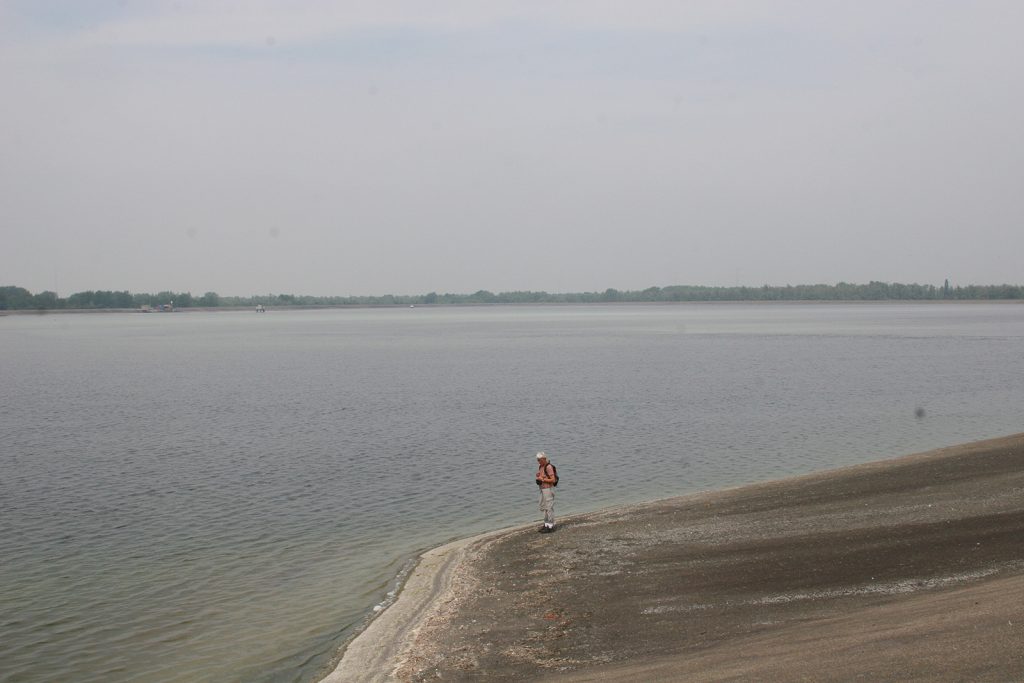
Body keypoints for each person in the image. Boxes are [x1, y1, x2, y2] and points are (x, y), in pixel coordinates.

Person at [535, 451, 556, 533]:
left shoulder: (549, 467)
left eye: (539, 460)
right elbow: (542, 476)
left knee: (549, 507)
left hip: (548, 489)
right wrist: (539, 476)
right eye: (537, 460)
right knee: (543, 507)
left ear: (544, 459)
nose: (538, 461)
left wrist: (542, 479)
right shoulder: (540, 466)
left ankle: (551, 526)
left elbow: (553, 480)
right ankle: (546, 524)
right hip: (542, 489)